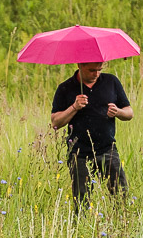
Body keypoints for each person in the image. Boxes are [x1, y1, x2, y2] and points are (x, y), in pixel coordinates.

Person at [50, 61, 133, 203]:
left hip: (108, 149)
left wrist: (118, 112)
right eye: (92, 70)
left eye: (99, 69)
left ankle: (120, 218)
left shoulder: (111, 82)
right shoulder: (65, 88)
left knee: (121, 196)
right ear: (80, 65)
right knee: (82, 200)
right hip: (79, 153)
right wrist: (74, 107)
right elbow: (55, 122)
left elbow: (129, 113)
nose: (96, 74)